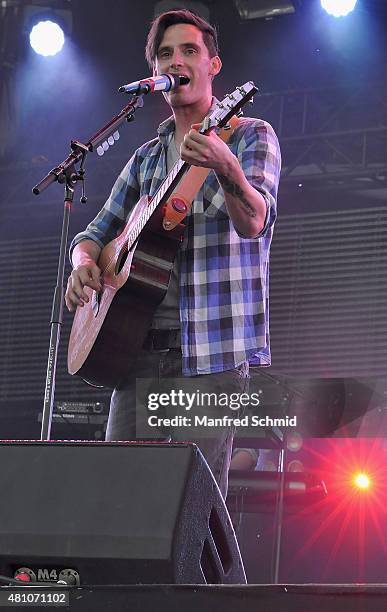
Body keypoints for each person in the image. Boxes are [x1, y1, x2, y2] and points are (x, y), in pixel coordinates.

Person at [65, 9, 281, 498]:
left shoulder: (250, 135)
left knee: (190, 512)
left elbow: (254, 222)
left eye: (189, 51)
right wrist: (82, 264)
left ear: (213, 66)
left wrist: (225, 165)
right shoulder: (145, 157)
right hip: (135, 353)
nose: (176, 60)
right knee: (118, 503)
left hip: (211, 357)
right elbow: (94, 232)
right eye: (166, 54)